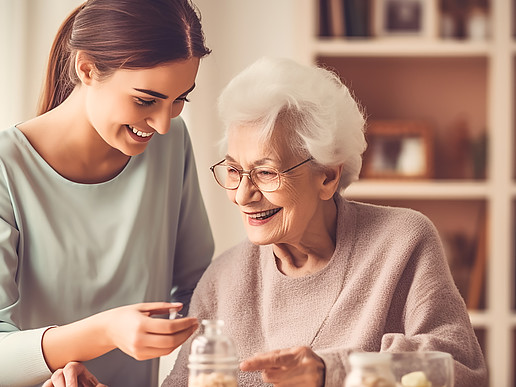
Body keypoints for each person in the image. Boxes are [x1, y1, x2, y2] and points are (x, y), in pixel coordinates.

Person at [162, 57, 488, 387]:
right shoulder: (222, 281)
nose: (243, 195)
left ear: (328, 177)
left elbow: (462, 370)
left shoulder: (403, 243)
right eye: (234, 171)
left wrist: (331, 371)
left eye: (265, 173)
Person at [0, 0, 214, 386]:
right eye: (145, 100)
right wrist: (105, 332)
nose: (163, 124)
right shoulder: (5, 168)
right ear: (87, 69)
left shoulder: (171, 143)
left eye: (180, 98)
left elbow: (200, 289)